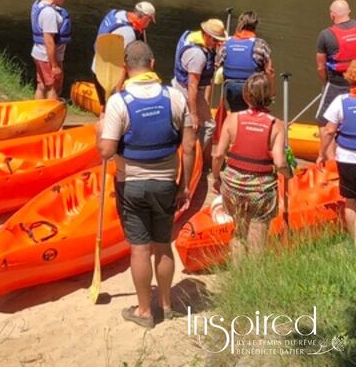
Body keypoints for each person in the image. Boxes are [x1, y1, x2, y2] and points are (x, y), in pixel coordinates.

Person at [98, 41, 195, 328]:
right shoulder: (175, 97)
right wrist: (185, 185)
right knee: (163, 245)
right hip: (166, 184)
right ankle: (166, 304)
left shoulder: (119, 102)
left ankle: (144, 311)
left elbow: (105, 151)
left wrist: (98, 131)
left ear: (126, 67)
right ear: (152, 64)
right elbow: (188, 146)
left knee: (140, 249)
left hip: (132, 187)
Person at [212, 73, 290, 262]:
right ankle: (252, 280)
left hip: (233, 186)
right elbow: (280, 162)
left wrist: (216, 178)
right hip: (260, 190)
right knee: (257, 236)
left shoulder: (232, 119)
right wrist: (289, 174)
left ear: (246, 96)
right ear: (270, 97)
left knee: (239, 232)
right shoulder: (277, 125)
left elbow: (218, 155)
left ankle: (239, 276)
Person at [172, 18, 227, 165]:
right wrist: (194, 113)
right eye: (216, 41)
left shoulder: (190, 35)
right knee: (209, 125)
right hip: (187, 91)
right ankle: (195, 157)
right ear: (207, 36)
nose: (218, 44)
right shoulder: (198, 55)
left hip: (177, 83)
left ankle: (188, 149)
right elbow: (192, 85)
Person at [317, 59, 356, 245]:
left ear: (349, 78)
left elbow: (329, 131)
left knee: (350, 201)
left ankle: (355, 240)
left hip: (347, 159)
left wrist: (321, 154)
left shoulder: (340, 102)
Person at [91, 2, 157, 107]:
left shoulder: (117, 13)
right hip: (108, 76)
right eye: (149, 21)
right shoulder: (128, 34)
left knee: (105, 106)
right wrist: (118, 93)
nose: (148, 25)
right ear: (145, 18)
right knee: (111, 107)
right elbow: (120, 65)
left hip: (97, 67)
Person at [216, 11, 275, 112]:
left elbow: (217, 63)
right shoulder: (260, 44)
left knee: (236, 112)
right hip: (253, 88)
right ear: (255, 25)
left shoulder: (226, 42)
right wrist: (271, 93)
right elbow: (269, 70)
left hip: (231, 87)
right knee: (254, 113)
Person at [315, 0, 356, 133]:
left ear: (332, 15)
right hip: (354, 83)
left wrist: (327, 82)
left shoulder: (325, 35)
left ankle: (325, 154)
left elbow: (320, 67)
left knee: (322, 121)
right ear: (349, 12)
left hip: (335, 84)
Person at [30, 0, 72, 99]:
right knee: (53, 87)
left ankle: (38, 112)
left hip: (39, 53)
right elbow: (49, 41)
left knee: (42, 85)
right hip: (47, 57)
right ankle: (50, 115)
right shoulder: (49, 13)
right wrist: (54, 66)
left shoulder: (39, 4)